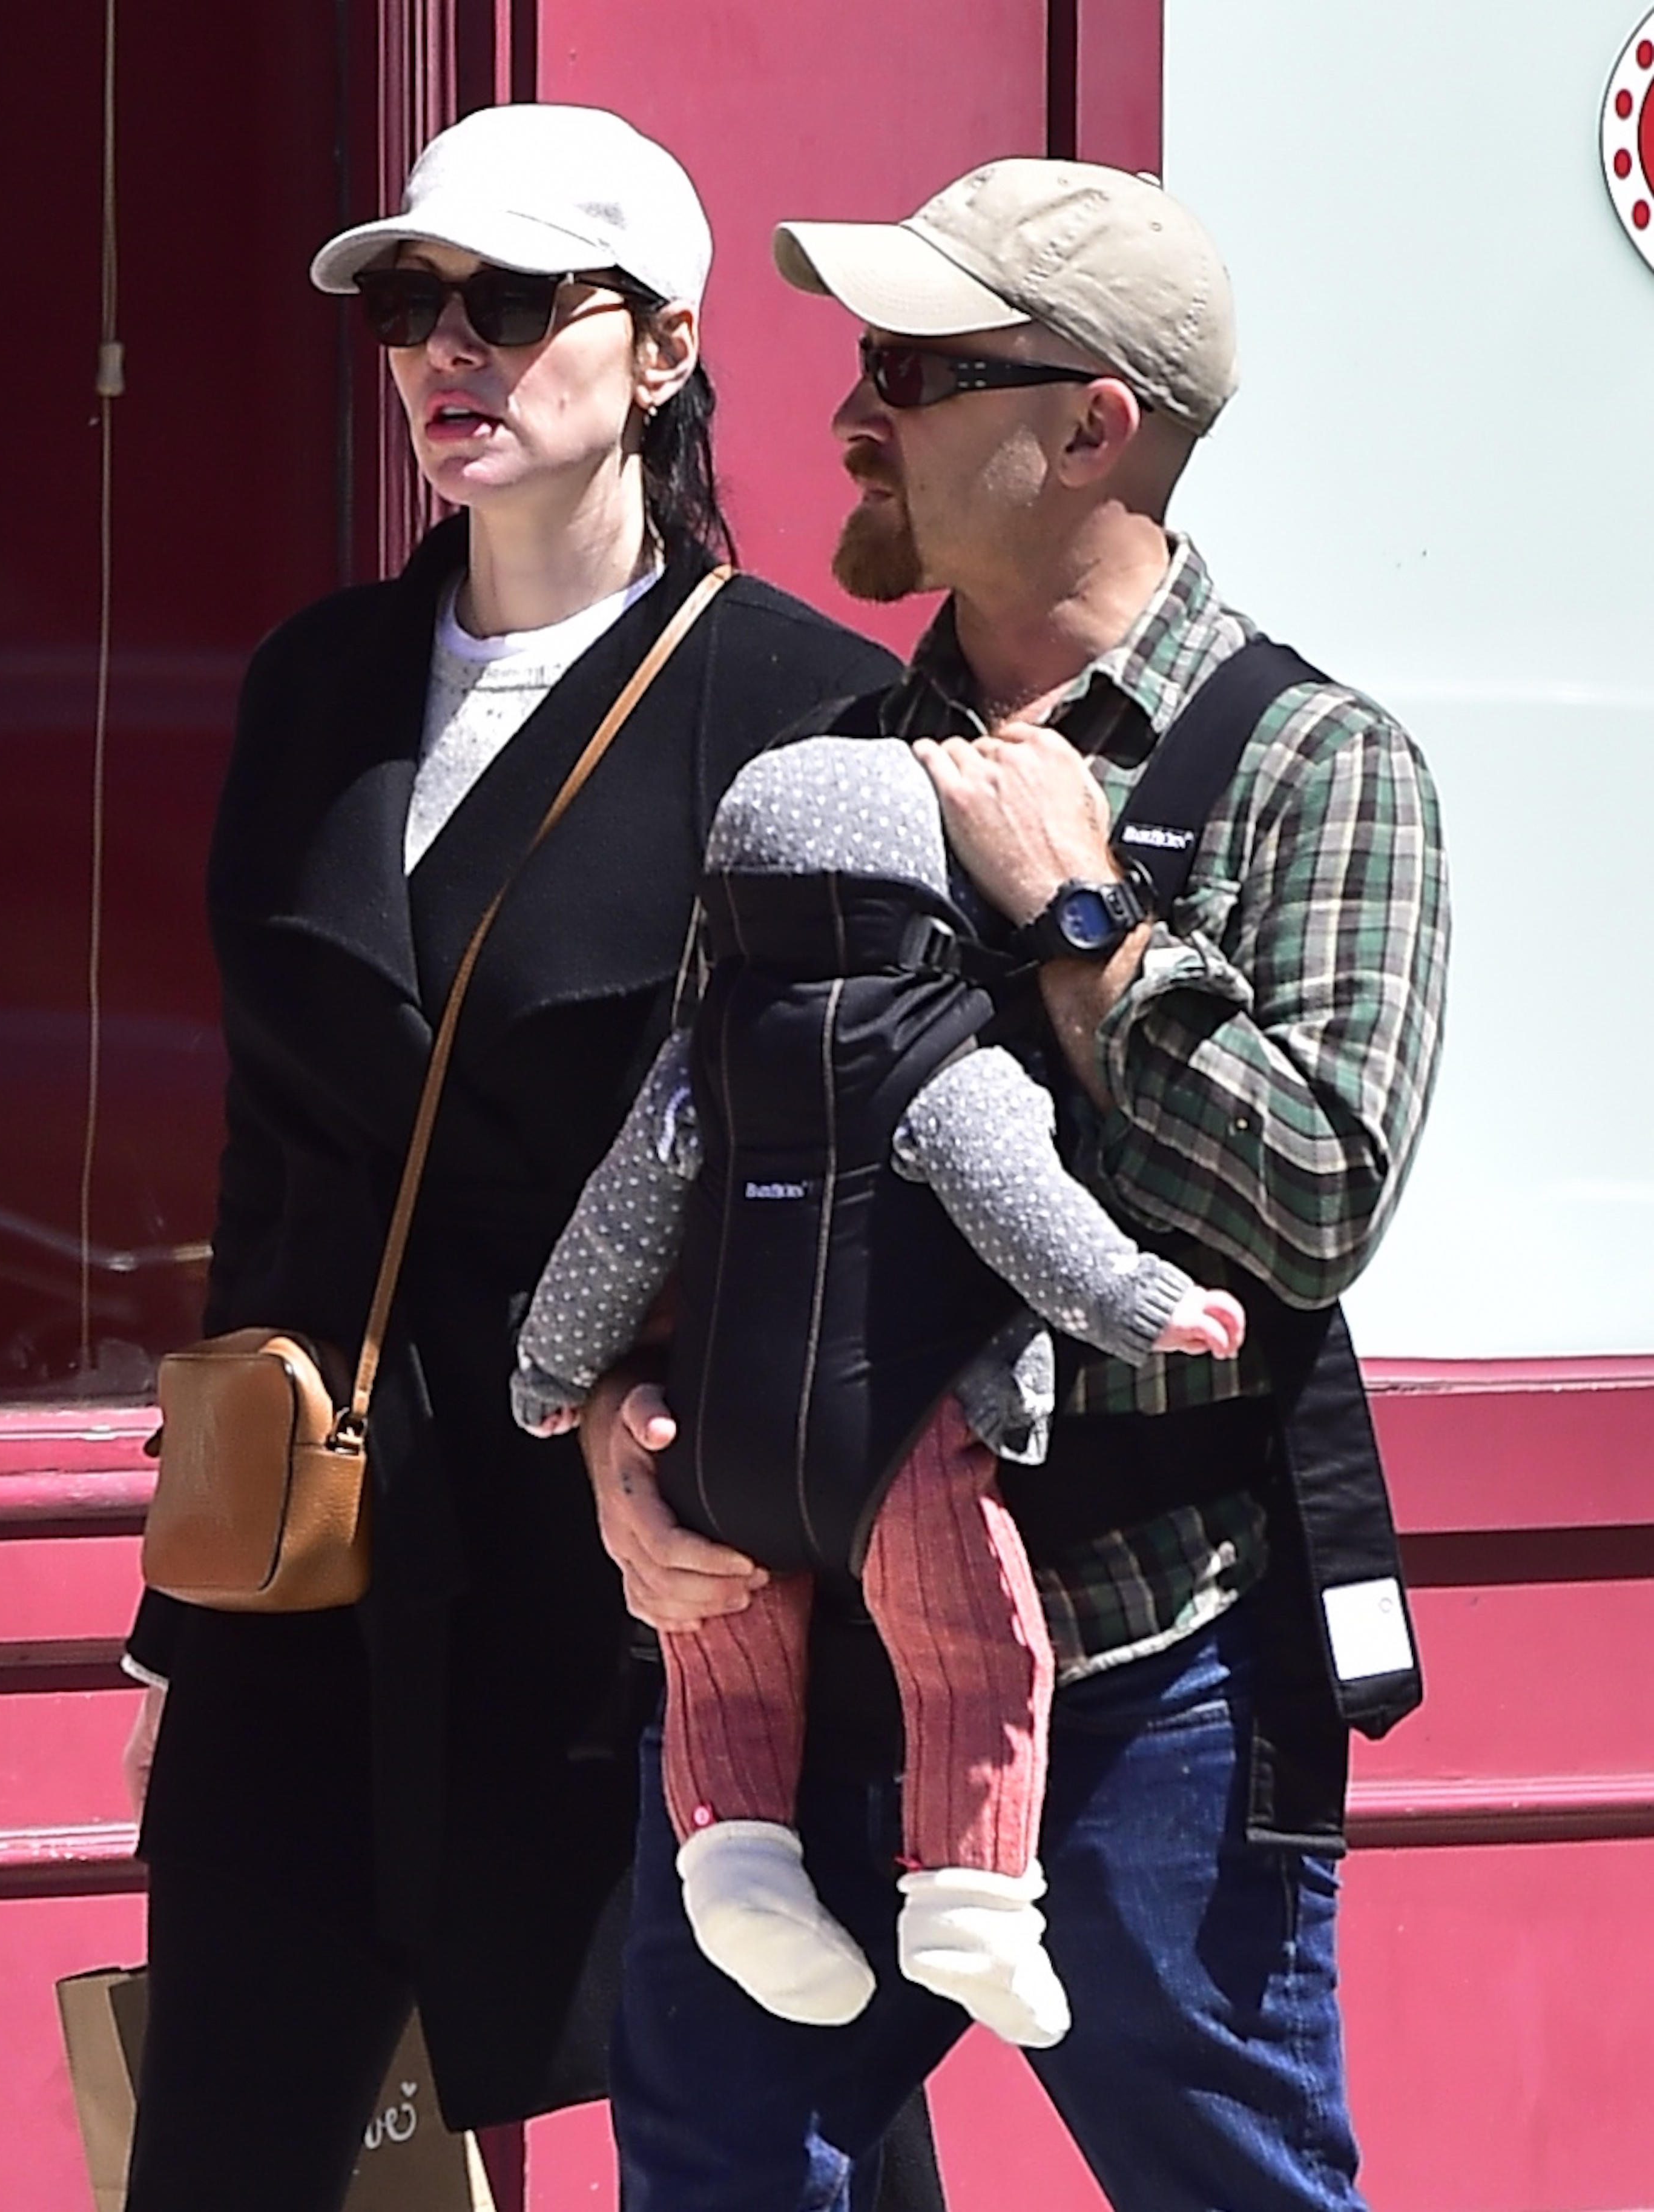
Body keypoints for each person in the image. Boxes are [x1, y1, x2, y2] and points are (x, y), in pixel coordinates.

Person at [588, 159, 1451, 2210]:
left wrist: (1082, 924)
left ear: (1094, 427)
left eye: (915, 365)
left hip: (1159, 1666)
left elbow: (1317, 1200)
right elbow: (677, 1166)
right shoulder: (815, 768)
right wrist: (616, 1443)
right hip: (797, 1674)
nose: (847, 413)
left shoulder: (1317, 766)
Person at [114, 102, 915, 2212]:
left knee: (763, 2150)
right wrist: (179, 1619)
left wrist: (738, 1494)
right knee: (226, 2142)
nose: (444, 350)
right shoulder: (321, 682)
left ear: (660, 347)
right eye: (408, 302)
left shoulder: (803, 707)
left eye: (508, 301)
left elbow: (858, 1191)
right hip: (324, 1548)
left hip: (648, 1565)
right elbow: (267, 1156)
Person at [510, 730, 1244, 2049]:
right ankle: (968, 1896)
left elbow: (609, 1235)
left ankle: (735, 1866)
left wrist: (553, 1371)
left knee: (723, 1661)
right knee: (972, 1650)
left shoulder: (702, 1060)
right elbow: (1039, 1223)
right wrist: (1150, 1304)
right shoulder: (948, 1067)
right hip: (895, 1448)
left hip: (716, 1441)